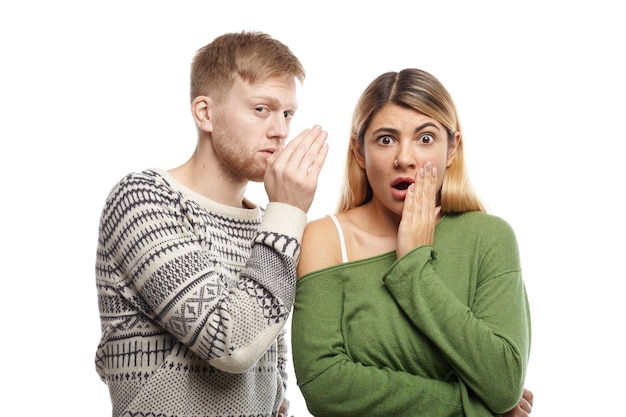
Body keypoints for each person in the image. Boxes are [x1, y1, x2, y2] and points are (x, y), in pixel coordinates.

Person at [94, 31, 328, 417]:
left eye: (287, 113)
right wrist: (287, 210)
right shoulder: (143, 199)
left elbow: (271, 361)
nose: (281, 130)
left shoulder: (267, 225)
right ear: (205, 113)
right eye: (261, 109)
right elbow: (230, 343)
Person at [291, 68, 532, 416]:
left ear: (452, 149)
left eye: (425, 138)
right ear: (360, 152)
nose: (404, 158)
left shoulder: (489, 237)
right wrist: (470, 407)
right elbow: (324, 385)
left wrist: (414, 267)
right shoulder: (325, 238)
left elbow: (504, 382)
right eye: (386, 139)